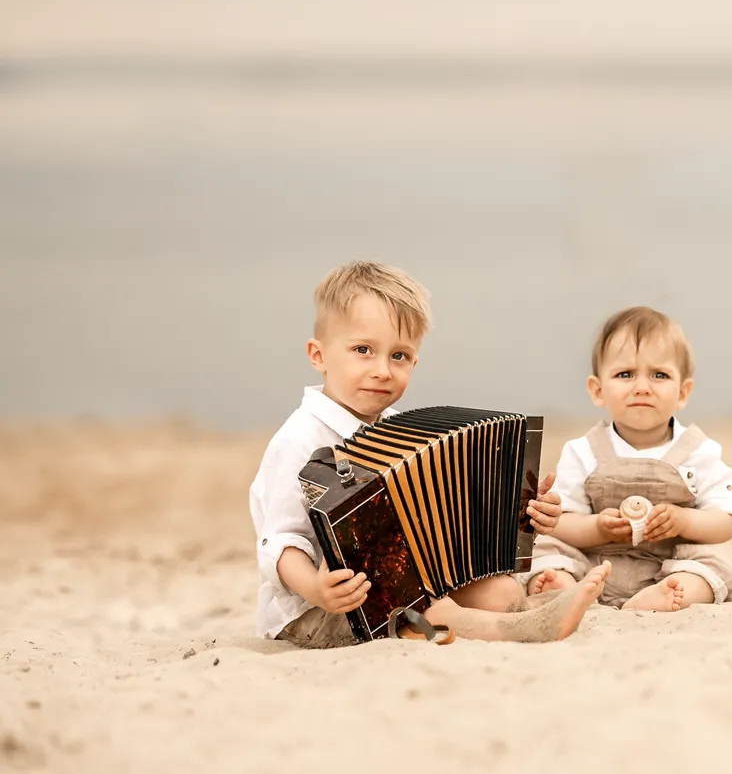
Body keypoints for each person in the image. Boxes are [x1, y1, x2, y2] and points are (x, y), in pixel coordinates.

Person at [248, 259, 609, 648]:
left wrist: (524, 512)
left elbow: (448, 516)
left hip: (409, 580)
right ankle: (522, 629)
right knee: (430, 610)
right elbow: (281, 540)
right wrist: (316, 589)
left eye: (399, 356)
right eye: (363, 350)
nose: (383, 370)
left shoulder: (400, 431)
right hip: (324, 608)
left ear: (415, 361)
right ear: (317, 355)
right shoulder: (300, 440)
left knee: (500, 591)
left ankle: (523, 614)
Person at [518, 306, 732, 612]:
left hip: (669, 564)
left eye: (659, 375)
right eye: (625, 374)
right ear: (598, 390)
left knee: (710, 565)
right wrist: (597, 527)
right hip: (593, 562)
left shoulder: (699, 451)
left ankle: (666, 594)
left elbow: (727, 521)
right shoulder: (584, 451)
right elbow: (561, 522)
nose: (642, 388)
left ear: (682, 392)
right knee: (549, 549)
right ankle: (565, 587)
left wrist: (684, 520)